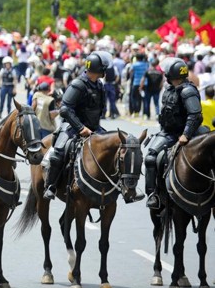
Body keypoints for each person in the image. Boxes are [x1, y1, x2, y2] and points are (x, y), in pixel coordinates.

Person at [43, 51, 136, 201]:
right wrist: (80, 128)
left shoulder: (98, 85)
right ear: (98, 69)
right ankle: (51, 186)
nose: (105, 71)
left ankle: (123, 187)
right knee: (58, 153)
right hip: (73, 127)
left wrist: (91, 128)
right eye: (103, 68)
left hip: (94, 127)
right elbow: (65, 109)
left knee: (116, 149)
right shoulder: (78, 84)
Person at [144, 58, 203, 209]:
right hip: (168, 133)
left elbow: (195, 115)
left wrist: (186, 134)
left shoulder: (187, 91)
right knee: (150, 158)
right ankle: (153, 195)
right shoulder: (169, 89)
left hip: (185, 134)